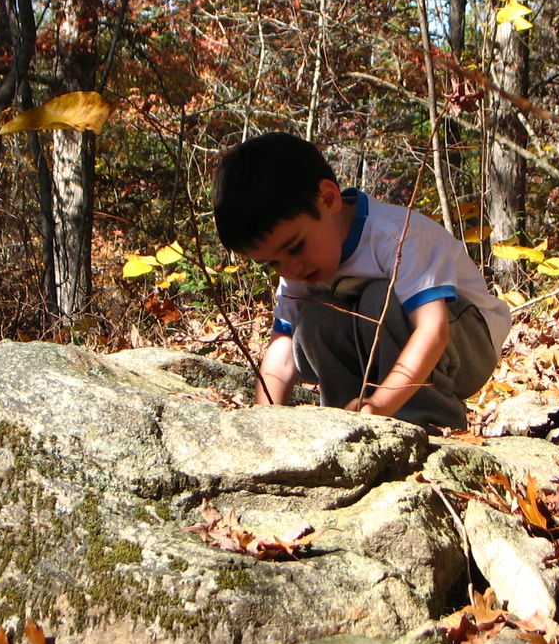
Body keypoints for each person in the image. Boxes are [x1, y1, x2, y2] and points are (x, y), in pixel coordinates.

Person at [213, 132, 511, 430]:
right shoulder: (299, 272)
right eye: (273, 263)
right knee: (316, 316)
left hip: (466, 347)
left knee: (379, 298)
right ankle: (349, 422)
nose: (291, 268)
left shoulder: (395, 236)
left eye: (295, 247)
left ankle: (426, 422)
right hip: (389, 362)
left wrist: (381, 404)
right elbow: (282, 352)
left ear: (328, 200)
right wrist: (263, 423)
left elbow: (432, 330)